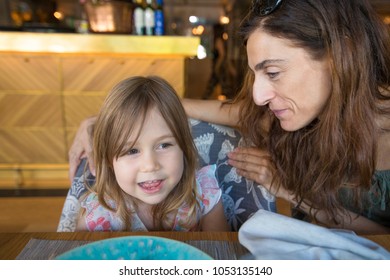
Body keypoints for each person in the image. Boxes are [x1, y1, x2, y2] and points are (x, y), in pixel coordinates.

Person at [69, 0, 390, 234]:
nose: (258, 96)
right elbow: (189, 107)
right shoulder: (290, 117)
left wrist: (287, 189)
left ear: (339, 56)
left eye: (274, 72)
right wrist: (106, 120)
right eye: (256, 76)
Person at [75, 76, 229, 232]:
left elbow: (219, 253)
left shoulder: (204, 193)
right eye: (132, 151)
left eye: (164, 145)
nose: (150, 165)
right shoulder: (97, 218)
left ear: (184, 146)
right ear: (108, 159)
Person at [202, 24, 237, 100]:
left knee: (220, 86)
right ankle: (204, 99)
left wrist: (217, 66)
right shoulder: (222, 40)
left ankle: (203, 100)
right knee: (216, 85)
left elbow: (222, 55)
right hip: (221, 66)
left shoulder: (218, 40)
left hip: (220, 66)